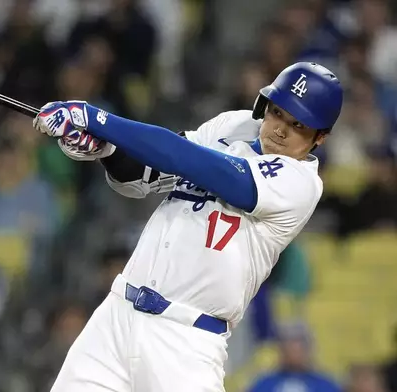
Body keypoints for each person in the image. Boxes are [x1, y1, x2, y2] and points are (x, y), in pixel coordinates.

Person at [31, 62, 343, 391]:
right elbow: (144, 175)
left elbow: (187, 160)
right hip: (117, 315)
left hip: (185, 341)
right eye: (278, 113)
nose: (280, 129)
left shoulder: (300, 184)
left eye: (298, 125)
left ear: (320, 137)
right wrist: (107, 151)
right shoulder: (233, 126)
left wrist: (98, 120)